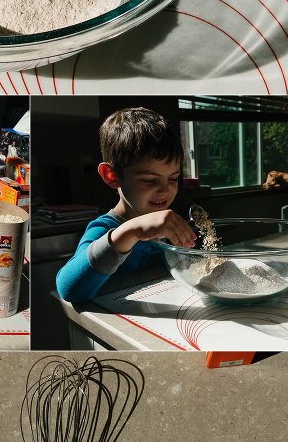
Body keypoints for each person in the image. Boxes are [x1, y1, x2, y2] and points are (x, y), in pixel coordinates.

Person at [55, 106, 197, 303]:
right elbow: (68, 289)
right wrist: (131, 231)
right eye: (149, 180)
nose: (165, 191)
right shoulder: (104, 228)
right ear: (111, 176)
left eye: (173, 179)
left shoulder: (169, 224)